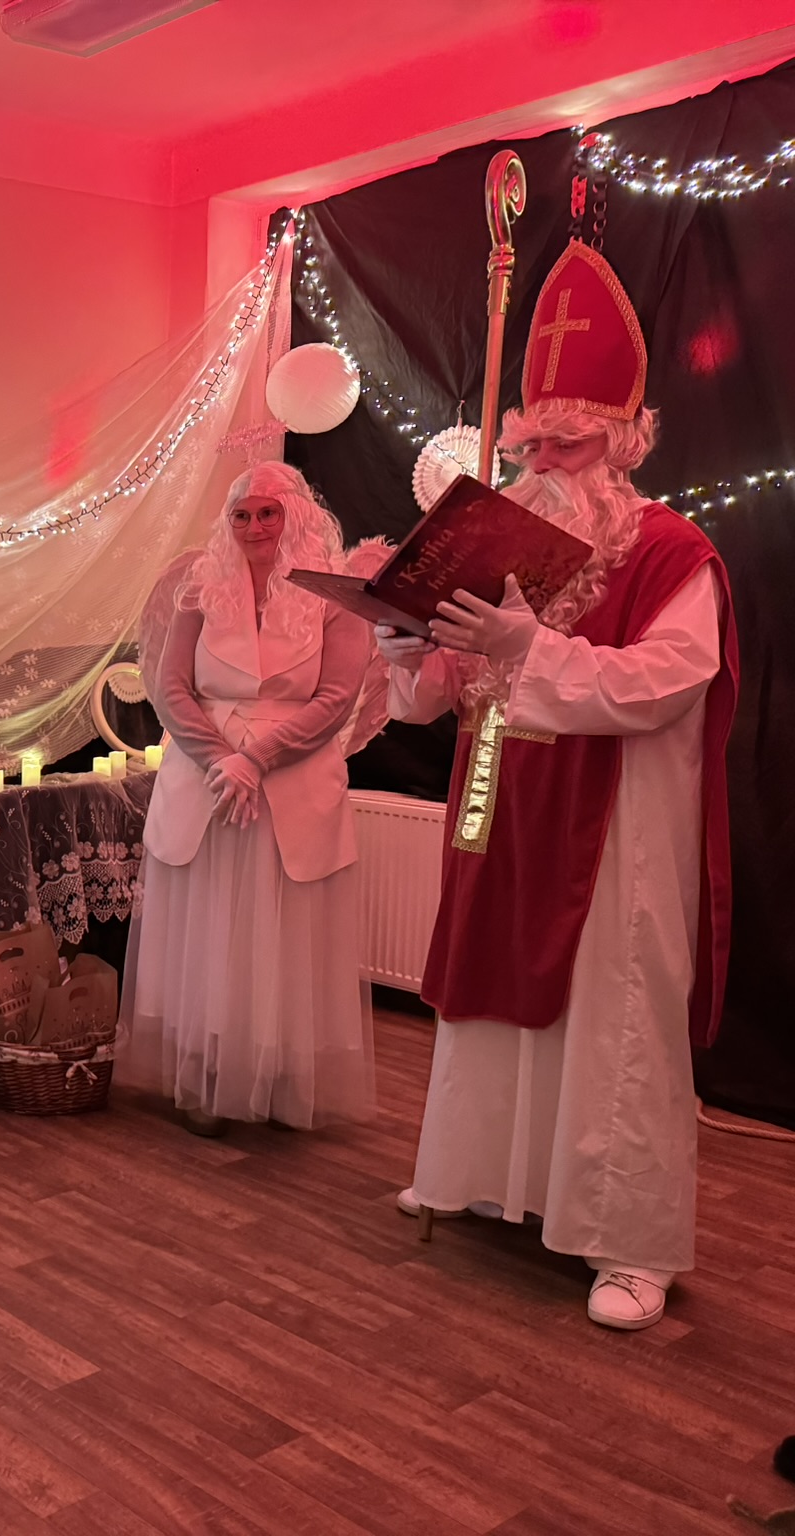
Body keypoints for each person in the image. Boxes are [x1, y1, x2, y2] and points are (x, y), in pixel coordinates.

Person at [379, 236, 738, 1331]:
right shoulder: (505, 547)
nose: (547, 464)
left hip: (614, 824)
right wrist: (409, 650)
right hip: (501, 805)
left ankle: (628, 1243)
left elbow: (663, 686)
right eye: (533, 444)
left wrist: (528, 647)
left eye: (570, 444)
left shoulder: (671, 553)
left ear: (621, 443)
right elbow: (439, 699)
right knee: (492, 988)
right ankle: (484, 1178)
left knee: (612, 1015)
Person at [121, 461, 379, 1134]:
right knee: (208, 931)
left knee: (284, 937)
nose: (255, 526)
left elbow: (337, 695)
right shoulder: (200, 588)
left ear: (298, 515)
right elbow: (170, 687)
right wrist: (221, 761)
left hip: (293, 781)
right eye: (242, 514)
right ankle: (205, 1070)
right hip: (206, 779)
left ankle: (278, 1075)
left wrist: (257, 758)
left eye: (269, 512)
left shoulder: (337, 593)